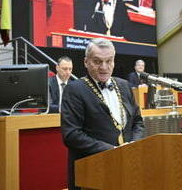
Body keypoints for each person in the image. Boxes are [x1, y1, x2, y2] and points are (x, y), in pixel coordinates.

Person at [61, 38, 145, 190]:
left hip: (126, 168)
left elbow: (137, 122)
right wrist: (113, 151)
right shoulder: (74, 90)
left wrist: (134, 145)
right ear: (86, 62)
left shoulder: (124, 85)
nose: (104, 67)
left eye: (109, 61)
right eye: (97, 61)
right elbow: (71, 135)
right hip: (91, 173)